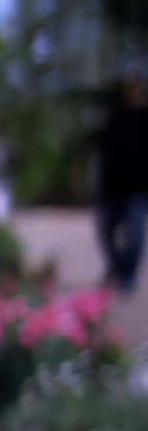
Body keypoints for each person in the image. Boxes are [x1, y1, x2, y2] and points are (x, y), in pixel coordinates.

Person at [94, 70, 148, 293]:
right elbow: (96, 143)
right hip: (111, 187)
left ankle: (128, 276)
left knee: (135, 237)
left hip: (138, 188)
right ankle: (117, 267)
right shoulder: (114, 116)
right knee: (106, 232)